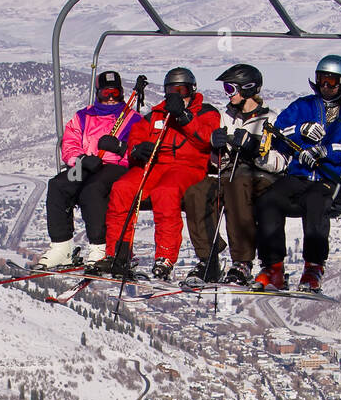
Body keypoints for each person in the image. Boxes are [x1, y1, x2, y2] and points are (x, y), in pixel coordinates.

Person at [87, 67, 220, 281]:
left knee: (165, 192)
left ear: (192, 90)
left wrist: (184, 117)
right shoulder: (158, 114)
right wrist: (136, 149)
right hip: (155, 165)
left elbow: (206, 138)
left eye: (182, 90)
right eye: (171, 90)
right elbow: (137, 134)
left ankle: (165, 257)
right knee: (122, 189)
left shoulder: (205, 112)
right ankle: (118, 254)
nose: (177, 95)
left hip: (187, 167)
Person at [253, 54, 341, 294]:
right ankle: (273, 267)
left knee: (316, 202)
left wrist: (326, 151)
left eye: (331, 82)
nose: (325, 86)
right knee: (268, 200)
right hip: (299, 176)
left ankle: (313, 267)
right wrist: (300, 133)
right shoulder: (303, 107)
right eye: (321, 80)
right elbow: (278, 131)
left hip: (330, 179)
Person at [182, 63, 286, 287]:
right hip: (230, 174)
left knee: (236, 186)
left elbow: (282, 162)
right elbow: (220, 164)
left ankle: (242, 262)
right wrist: (217, 149)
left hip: (260, 177)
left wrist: (256, 151)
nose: (227, 94)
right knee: (196, 192)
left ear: (247, 89)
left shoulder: (270, 119)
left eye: (231, 89)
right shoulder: (226, 116)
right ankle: (208, 260)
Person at [38, 71, 142, 270]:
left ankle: (99, 248)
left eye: (115, 93)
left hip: (116, 166)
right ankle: (62, 247)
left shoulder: (131, 119)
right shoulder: (84, 116)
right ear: (98, 93)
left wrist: (120, 147)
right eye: (106, 93)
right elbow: (69, 143)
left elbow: (140, 151)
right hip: (86, 164)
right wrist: (81, 159)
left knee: (93, 189)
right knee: (59, 184)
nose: (111, 98)